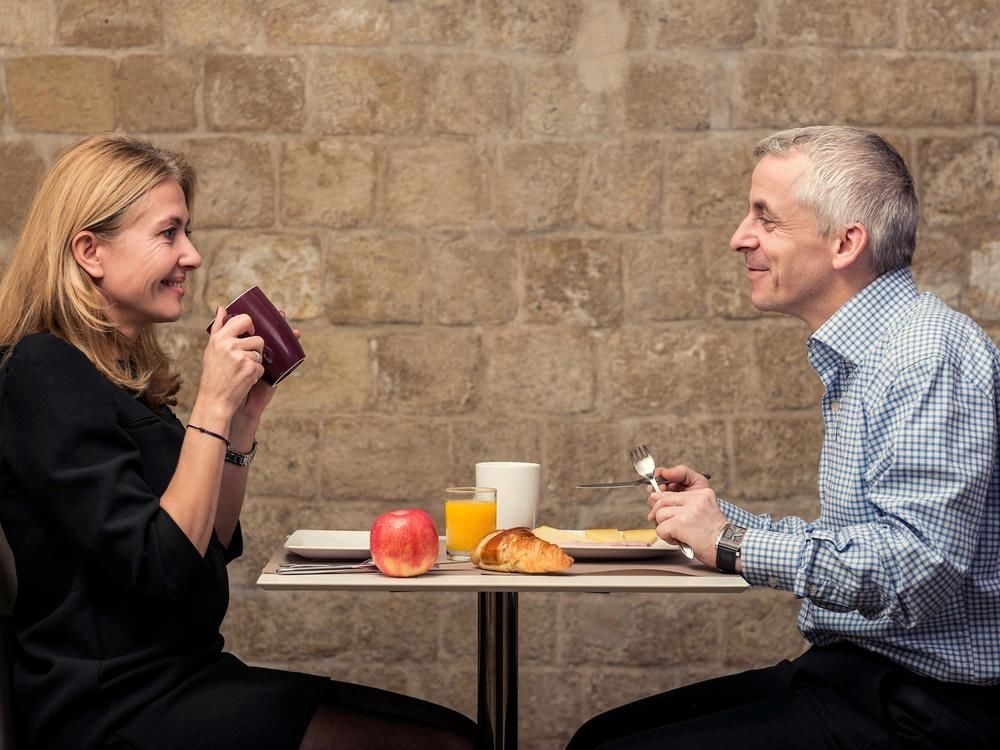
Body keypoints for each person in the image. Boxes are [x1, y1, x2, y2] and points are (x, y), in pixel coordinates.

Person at [0, 134, 479, 750]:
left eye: (187, 232)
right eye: (169, 233)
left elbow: (209, 545)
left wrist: (242, 418)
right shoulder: (43, 370)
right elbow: (160, 564)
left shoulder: (118, 375)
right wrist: (211, 403)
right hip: (112, 703)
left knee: (461, 733)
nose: (192, 255)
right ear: (90, 250)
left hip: (183, 674)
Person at [567, 126, 1000, 749]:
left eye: (766, 219)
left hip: (927, 708)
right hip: (859, 674)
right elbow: (869, 541)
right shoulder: (873, 354)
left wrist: (731, 543)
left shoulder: (924, 355)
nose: (739, 237)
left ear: (845, 242)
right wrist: (718, 521)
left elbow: (915, 571)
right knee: (597, 737)